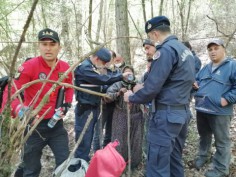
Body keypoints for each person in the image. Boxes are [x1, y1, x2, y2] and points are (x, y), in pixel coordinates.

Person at [124, 16, 195, 177]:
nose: (151, 41)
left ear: (155, 34)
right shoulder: (185, 51)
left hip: (166, 117)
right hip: (181, 113)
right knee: (174, 159)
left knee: (157, 165)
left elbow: (151, 89)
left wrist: (131, 97)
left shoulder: (165, 51)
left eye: (150, 37)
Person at [0, 28, 73, 177]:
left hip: (56, 126)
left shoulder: (65, 67)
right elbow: (10, 92)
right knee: (31, 169)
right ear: (38, 46)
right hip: (32, 126)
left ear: (59, 47)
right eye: (44, 44)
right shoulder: (29, 66)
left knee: (65, 164)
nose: (48, 48)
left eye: (52, 44)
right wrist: (20, 109)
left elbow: (69, 87)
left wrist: (67, 104)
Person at [74, 48, 131, 162]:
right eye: (104, 63)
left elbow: (99, 84)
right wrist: (121, 76)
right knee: (83, 139)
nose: (105, 65)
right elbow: (101, 79)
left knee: (88, 138)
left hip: (93, 108)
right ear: (96, 58)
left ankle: (85, 162)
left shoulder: (93, 66)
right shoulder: (85, 67)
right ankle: (79, 165)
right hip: (85, 110)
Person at [193, 39, 236, 177]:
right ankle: (203, 156)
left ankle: (221, 168)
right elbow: (197, 80)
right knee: (204, 136)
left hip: (220, 111)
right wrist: (196, 84)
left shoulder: (232, 66)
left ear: (224, 49)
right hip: (202, 109)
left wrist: (226, 99)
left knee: (222, 141)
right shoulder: (206, 67)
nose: (212, 52)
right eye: (210, 49)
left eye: (216, 48)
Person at [106, 65, 144, 169]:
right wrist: (119, 93)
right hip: (121, 116)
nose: (128, 76)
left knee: (136, 140)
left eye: (130, 73)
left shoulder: (138, 84)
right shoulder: (118, 84)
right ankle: (118, 163)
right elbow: (107, 97)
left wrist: (139, 91)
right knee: (119, 140)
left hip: (136, 116)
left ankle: (133, 163)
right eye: (126, 73)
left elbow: (146, 96)